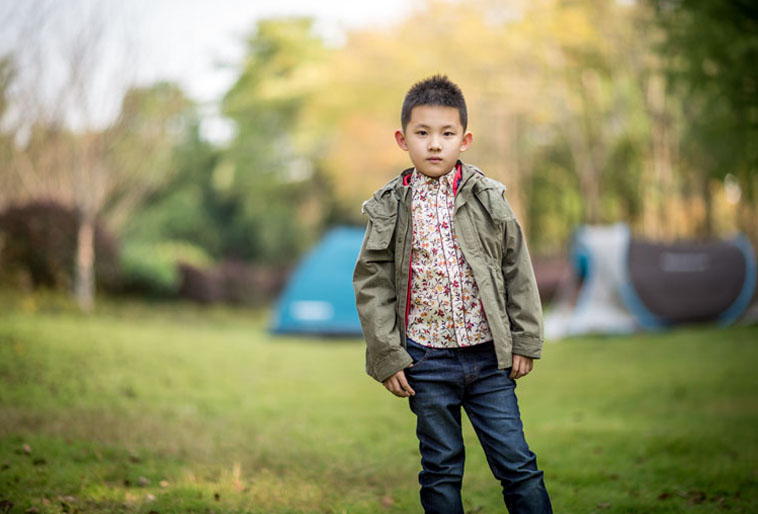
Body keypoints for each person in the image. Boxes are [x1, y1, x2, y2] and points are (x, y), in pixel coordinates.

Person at [353, 75, 552, 514]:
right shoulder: (389, 206)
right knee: (440, 470)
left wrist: (525, 339)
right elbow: (371, 284)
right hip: (425, 362)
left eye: (446, 134)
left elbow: (517, 269)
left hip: (489, 359)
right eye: (422, 133)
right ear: (403, 139)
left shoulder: (488, 197)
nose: (434, 144)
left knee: (518, 465)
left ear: (465, 140)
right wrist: (388, 356)